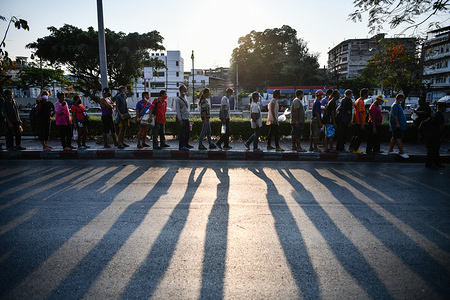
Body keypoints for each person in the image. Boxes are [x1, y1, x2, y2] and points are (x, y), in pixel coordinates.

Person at [388, 93, 409, 158]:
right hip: (397, 125)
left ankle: (390, 150)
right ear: (400, 99)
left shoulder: (397, 105)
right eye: (402, 99)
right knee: (398, 137)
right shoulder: (396, 105)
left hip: (399, 125)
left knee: (394, 137)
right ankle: (401, 151)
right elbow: (395, 115)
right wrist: (397, 123)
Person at [426, 102, 446, 168]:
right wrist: (442, 134)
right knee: (435, 149)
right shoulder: (440, 116)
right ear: (442, 108)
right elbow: (441, 126)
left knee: (431, 149)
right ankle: (434, 163)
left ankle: (433, 162)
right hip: (436, 135)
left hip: (431, 134)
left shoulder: (434, 115)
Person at [349, 88, 368, 154]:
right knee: (359, 136)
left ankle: (351, 147)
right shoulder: (361, 101)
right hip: (359, 122)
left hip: (357, 121)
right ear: (365, 94)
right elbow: (360, 112)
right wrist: (362, 124)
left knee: (355, 135)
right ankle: (355, 149)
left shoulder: (358, 100)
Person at [176, 84, 193, 150]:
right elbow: (178, 110)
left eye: (186, 89)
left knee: (187, 132)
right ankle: (181, 146)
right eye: (184, 89)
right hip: (182, 118)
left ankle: (186, 144)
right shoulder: (178, 99)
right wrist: (180, 119)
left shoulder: (185, 98)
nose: (186, 90)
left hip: (186, 118)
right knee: (182, 133)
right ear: (181, 91)